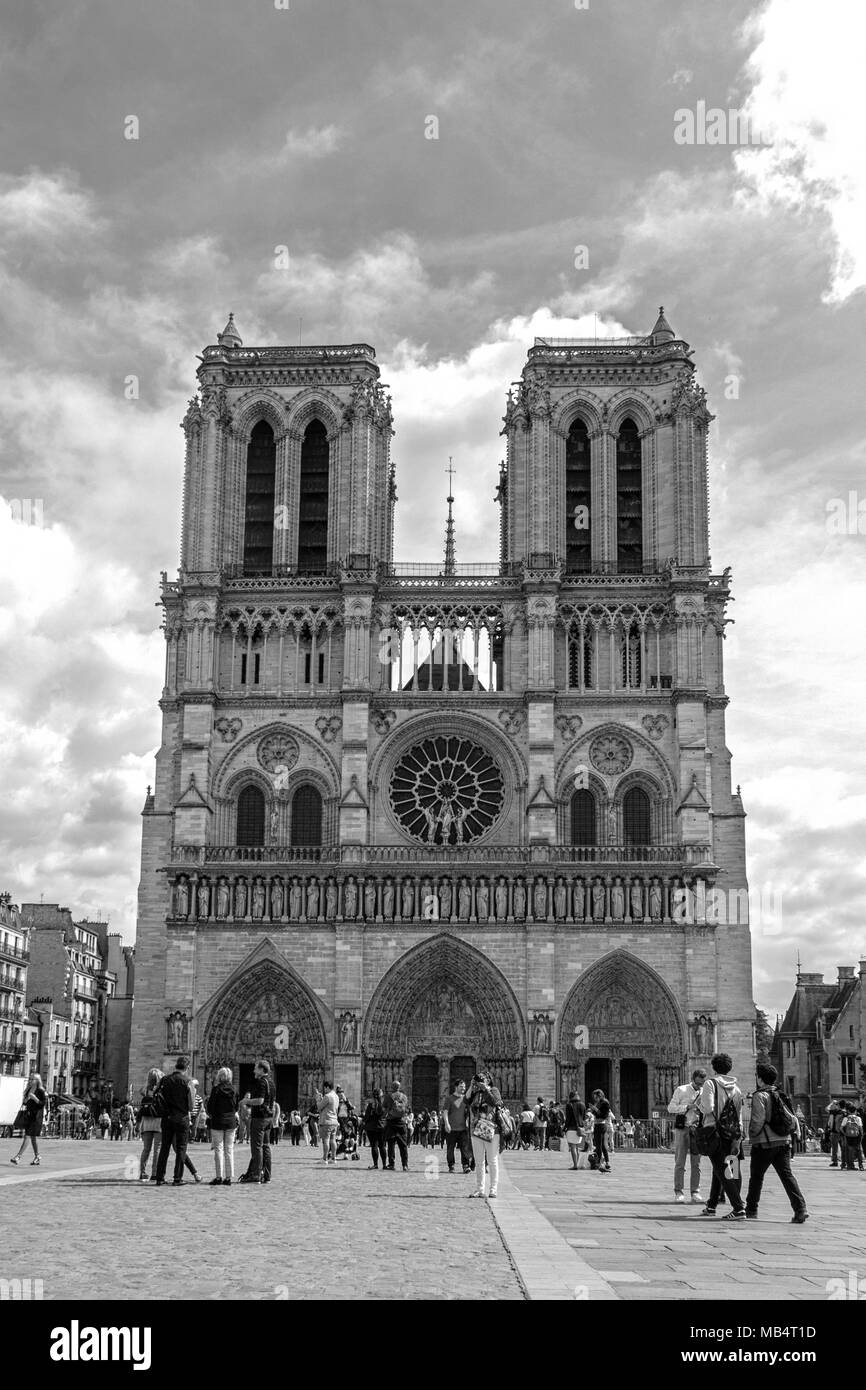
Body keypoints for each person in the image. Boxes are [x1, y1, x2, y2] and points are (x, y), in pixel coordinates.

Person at [744, 1063, 808, 1223]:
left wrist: (751, 1134)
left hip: (765, 1143)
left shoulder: (760, 1095)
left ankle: (751, 1209)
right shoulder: (781, 1094)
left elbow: (758, 1120)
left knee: (756, 1177)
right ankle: (800, 1209)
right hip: (784, 1141)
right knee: (787, 1176)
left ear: (760, 1079)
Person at [697, 1053, 746, 1220]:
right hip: (733, 1133)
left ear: (714, 1067)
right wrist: (739, 1135)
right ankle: (712, 1205)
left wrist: (699, 1104)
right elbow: (739, 1114)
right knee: (731, 1168)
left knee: (722, 1168)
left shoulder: (710, 1084)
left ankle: (738, 1208)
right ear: (729, 1068)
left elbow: (707, 1108)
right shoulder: (736, 1088)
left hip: (716, 1132)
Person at [155, 1055, 197, 1187]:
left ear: (176, 1066)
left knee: (164, 1148)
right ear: (187, 1067)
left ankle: (160, 1178)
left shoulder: (164, 1080)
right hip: (181, 1118)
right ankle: (177, 1178)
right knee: (181, 1148)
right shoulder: (188, 1081)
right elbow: (191, 1105)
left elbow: (156, 1095)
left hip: (166, 1118)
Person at [667, 1068, 707, 1203]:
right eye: (697, 1084)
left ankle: (695, 1191)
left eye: (702, 1084)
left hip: (696, 1129)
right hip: (682, 1128)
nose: (699, 1086)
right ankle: (678, 1191)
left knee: (697, 1163)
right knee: (680, 1162)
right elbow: (670, 1108)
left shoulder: (705, 1092)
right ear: (693, 1079)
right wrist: (686, 1107)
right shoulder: (681, 1090)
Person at [466, 1071, 503, 1198]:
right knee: (479, 1161)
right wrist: (472, 1085)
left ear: (489, 1080)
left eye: (484, 1078)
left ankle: (493, 1189)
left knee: (492, 1160)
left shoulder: (494, 1090)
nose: (481, 1081)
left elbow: (495, 1102)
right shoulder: (475, 1093)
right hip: (476, 1129)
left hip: (491, 1129)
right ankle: (480, 1189)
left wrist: (486, 1089)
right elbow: (466, 1101)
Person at [239, 1060, 276, 1184]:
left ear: (261, 1069)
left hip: (259, 1118)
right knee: (266, 1146)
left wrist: (246, 1101)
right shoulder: (271, 1082)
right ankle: (267, 1175)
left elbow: (260, 1101)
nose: (253, 1070)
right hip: (268, 1118)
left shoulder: (261, 1082)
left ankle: (256, 1174)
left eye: (255, 1068)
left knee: (257, 1147)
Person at [206, 1066, 239, 1186]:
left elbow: (210, 1107)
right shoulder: (234, 1089)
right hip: (230, 1122)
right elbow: (236, 1107)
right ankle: (228, 1177)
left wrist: (212, 1114)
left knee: (218, 1150)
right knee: (229, 1150)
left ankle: (219, 1176)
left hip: (218, 1122)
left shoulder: (216, 1090)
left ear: (219, 1077)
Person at [10, 1073, 47, 1166]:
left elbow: (42, 1104)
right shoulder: (29, 1090)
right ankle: (37, 1157)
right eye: (30, 1079)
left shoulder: (40, 1091)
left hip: (36, 1117)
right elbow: (25, 1103)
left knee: (27, 1136)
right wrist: (26, 1100)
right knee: (33, 1138)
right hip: (29, 1115)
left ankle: (18, 1157)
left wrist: (35, 1098)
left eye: (32, 1079)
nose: (30, 1081)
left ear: (37, 1081)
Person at [137, 1067, 164, 1181]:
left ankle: (142, 1172)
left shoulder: (146, 1090)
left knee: (146, 1149)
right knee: (157, 1149)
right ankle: (155, 1173)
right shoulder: (162, 1090)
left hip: (146, 1122)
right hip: (158, 1122)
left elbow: (141, 1091)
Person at [442, 1081, 473, 1174]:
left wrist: (471, 1084)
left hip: (463, 1128)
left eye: (464, 1087)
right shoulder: (449, 1098)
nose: (463, 1088)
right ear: (456, 1087)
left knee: (464, 1149)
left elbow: (469, 1112)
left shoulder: (465, 1099)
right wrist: (447, 1124)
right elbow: (445, 1112)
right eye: (461, 1087)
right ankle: (451, 1165)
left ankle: (465, 1166)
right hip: (452, 1128)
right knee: (450, 1148)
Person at [383, 1081, 411, 1172]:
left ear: (392, 1087)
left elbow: (384, 1109)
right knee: (403, 1145)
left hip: (391, 1122)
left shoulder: (388, 1097)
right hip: (401, 1122)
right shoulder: (404, 1097)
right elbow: (406, 1109)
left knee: (391, 1145)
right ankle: (405, 1165)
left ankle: (391, 1164)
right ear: (399, 1087)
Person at [363, 1089, 388, 1170]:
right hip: (381, 1127)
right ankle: (384, 1165)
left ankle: (375, 1164)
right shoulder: (383, 1106)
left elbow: (366, 1117)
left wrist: (365, 1123)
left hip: (371, 1128)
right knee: (382, 1146)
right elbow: (385, 1116)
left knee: (374, 1146)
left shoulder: (371, 1105)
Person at [588, 1089, 612, 1172]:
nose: (595, 1099)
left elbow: (604, 1115)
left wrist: (595, 1109)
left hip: (601, 1125)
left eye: (596, 1097)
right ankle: (607, 1163)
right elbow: (595, 1114)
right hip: (598, 1125)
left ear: (600, 1096)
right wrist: (593, 1110)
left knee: (599, 1145)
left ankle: (599, 1163)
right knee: (601, 1145)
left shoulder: (605, 1103)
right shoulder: (599, 1103)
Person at [564, 1091, 587, 1171]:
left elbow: (568, 1118)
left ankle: (575, 1165)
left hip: (571, 1128)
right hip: (580, 1129)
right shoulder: (582, 1104)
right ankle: (576, 1164)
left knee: (573, 1147)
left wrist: (565, 1128)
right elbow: (584, 1117)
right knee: (577, 1147)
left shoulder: (569, 1105)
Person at [318, 1081, 339, 1164]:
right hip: (334, 1121)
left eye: (325, 1088)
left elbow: (319, 1107)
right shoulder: (336, 1096)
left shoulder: (327, 1096)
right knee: (333, 1140)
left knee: (325, 1140)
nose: (324, 1089)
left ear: (327, 1087)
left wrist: (318, 1099)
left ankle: (324, 1159)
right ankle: (333, 1158)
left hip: (327, 1121)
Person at [840, 1104, 864, 1172]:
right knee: (859, 1151)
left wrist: (845, 1134)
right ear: (855, 1111)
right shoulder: (858, 1118)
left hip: (848, 1137)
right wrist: (861, 1135)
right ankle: (860, 1166)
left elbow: (841, 1128)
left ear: (848, 1111)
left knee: (850, 1151)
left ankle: (851, 1166)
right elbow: (860, 1128)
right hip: (857, 1136)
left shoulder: (846, 1118)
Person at [826, 1101, 844, 1166]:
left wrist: (832, 1103)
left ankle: (835, 1162)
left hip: (835, 1132)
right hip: (843, 1133)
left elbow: (826, 1109)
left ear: (838, 1105)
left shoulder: (835, 1112)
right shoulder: (845, 1112)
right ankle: (844, 1162)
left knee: (834, 1148)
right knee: (843, 1148)